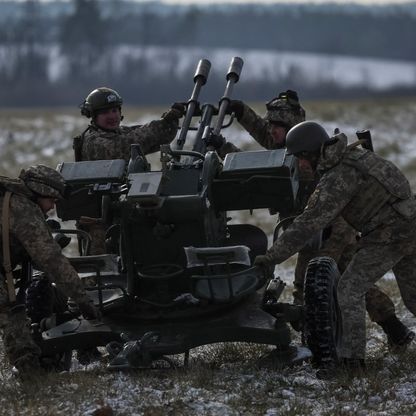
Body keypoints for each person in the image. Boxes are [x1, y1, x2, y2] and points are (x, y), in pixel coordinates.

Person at [229, 92, 413, 349]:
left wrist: (270, 258)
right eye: (271, 126)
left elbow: (308, 222)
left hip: (341, 229)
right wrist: (240, 114)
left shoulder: (333, 174)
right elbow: (263, 136)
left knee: (331, 287)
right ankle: (392, 330)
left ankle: (339, 355)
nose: (273, 132)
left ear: (309, 152)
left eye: (279, 127)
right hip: (381, 226)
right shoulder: (324, 152)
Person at [0, 164, 99, 376]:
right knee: (11, 314)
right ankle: (31, 375)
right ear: (40, 193)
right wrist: (82, 300)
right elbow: (52, 261)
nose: (51, 208)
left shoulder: (10, 199)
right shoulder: (23, 210)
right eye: (51, 201)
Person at [73, 87, 185, 254]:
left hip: (123, 209)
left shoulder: (118, 133)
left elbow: (160, 137)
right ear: (94, 116)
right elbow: (130, 143)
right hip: (102, 224)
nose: (112, 116)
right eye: (105, 113)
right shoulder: (94, 141)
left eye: (114, 110)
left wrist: (171, 120)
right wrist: (162, 123)